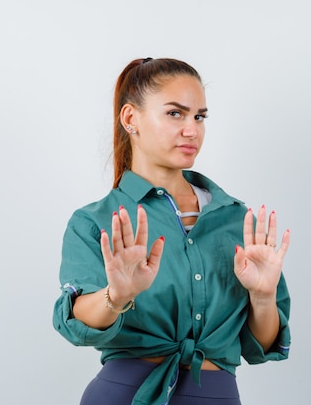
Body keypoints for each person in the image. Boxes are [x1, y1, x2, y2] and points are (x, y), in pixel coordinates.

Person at [53, 57, 292, 405]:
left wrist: (263, 295)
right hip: (124, 395)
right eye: (175, 113)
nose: (192, 130)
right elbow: (73, 320)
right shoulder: (95, 221)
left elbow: (262, 344)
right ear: (131, 118)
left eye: (199, 116)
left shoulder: (236, 220)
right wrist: (116, 295)